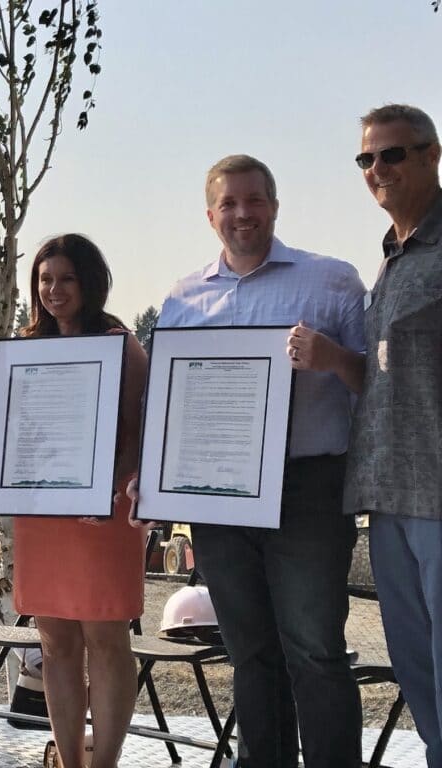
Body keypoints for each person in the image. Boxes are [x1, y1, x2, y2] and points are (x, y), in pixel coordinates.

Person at [140, 155, 366, 768]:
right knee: (249, 652)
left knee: (315, 649)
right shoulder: (183, 297)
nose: (243, 213)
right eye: (230, 204)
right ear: (211, 215)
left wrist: (332, 359)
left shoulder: (332, 281)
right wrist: (154, 482)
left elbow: (379, 384)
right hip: (218, 497)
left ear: (274, 204)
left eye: (254, 200)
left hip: (309, 488)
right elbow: (170, 404)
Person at [0, 234, 148, 768]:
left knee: (106, 638)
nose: (54, 290)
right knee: (54, 644)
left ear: (90, 283)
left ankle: (105, 762)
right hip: (42, 515)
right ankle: (70, 760)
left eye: (66, 279)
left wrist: (108, 486)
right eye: (45, 280)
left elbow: (140, 432)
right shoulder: (27, 348)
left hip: (103, 513)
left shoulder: (122, 344)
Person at [346, 103, 442, 767]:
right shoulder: (388, 260)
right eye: (366, 158)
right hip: (386, 500)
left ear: (433, 155)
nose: (378, 168)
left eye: (393, 154)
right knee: (416, 668)